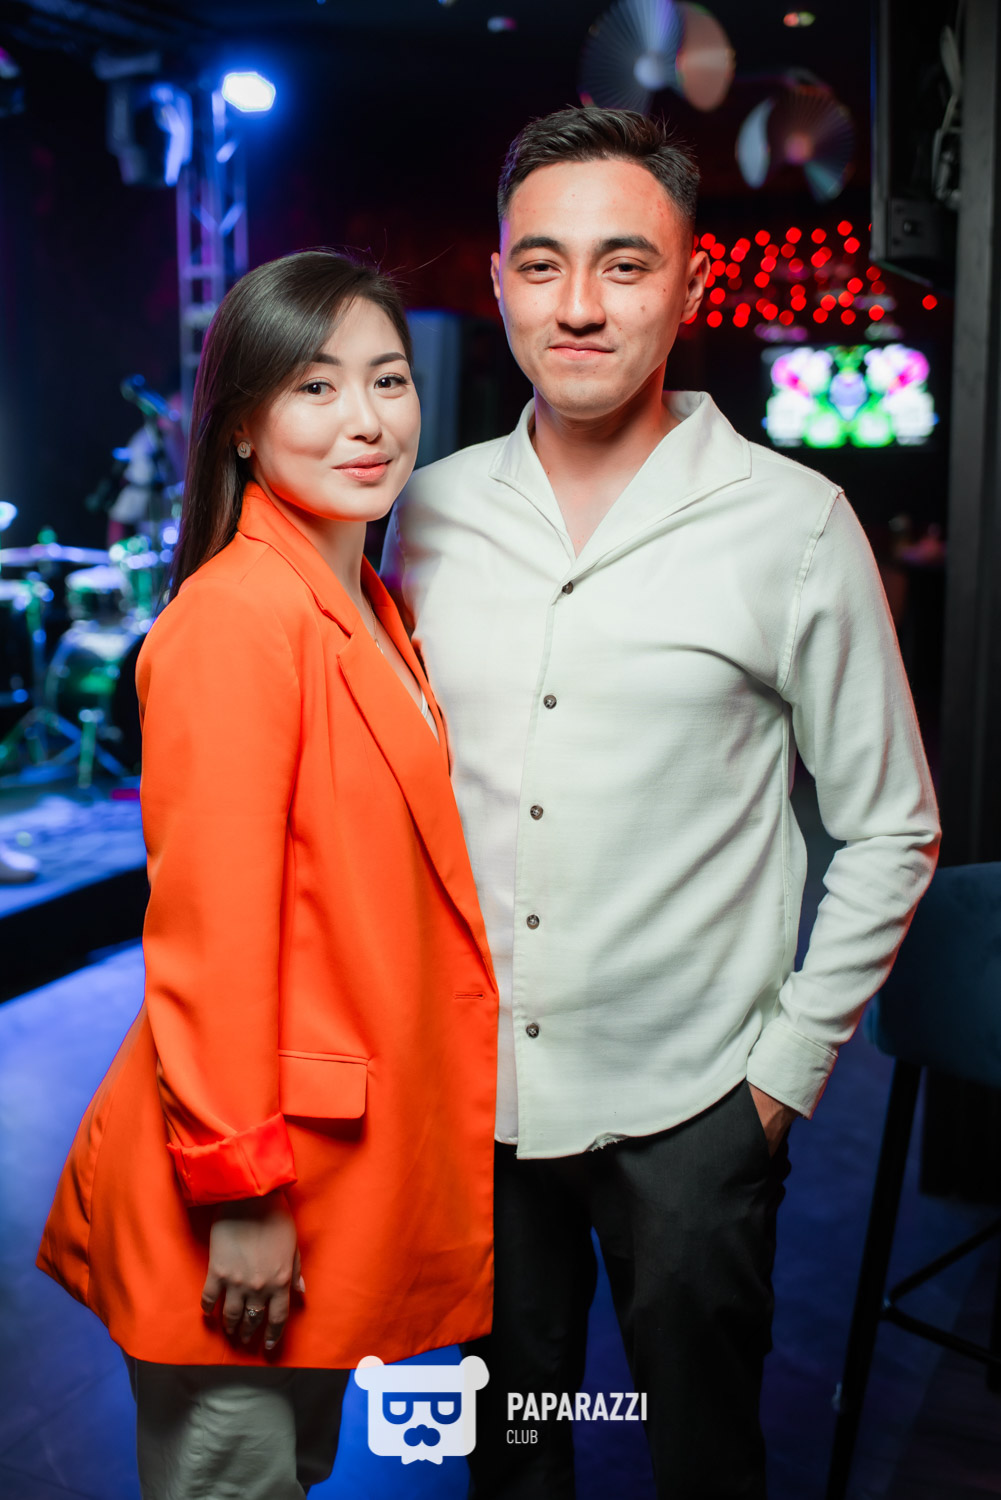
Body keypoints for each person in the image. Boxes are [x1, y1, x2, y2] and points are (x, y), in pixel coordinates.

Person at [382, 107, 941, 1499]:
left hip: (696, 1105)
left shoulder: (794, 523)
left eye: (623, 265)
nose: (578, 305)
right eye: (542, 263)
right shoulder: (424, 512)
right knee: (511, 1458)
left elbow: (889, 824)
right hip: (474, 1104)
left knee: (702, 1463)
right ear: (499, 279)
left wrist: (781, 1076)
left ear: (689, 288)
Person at [38, 249, 498, 1500]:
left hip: (331, 1160)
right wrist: (240, 1196)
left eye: (388, 380)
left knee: (286, 1467)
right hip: (246, 1173)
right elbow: (211, 941)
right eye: (315, 386)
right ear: (241, 423)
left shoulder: (367, 606)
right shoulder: (238, 618)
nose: (366, 419)